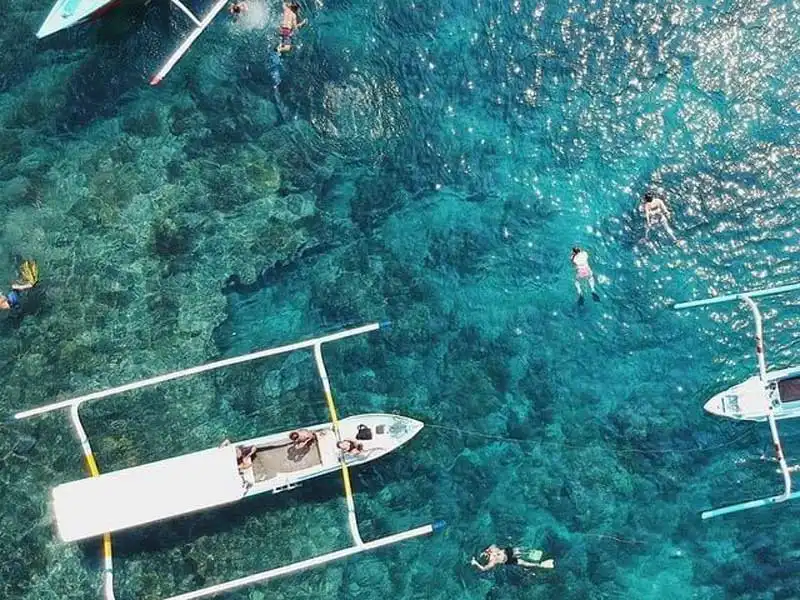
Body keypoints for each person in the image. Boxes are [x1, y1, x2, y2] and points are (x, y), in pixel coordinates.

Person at [471, 545, 554, 572]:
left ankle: (529, 552)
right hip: (508, 560)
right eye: (485, 555)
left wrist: (489, 549)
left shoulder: (492, 549)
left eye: (485, 553)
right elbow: (483, 569)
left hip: (507, 552)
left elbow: (495, 545)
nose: (486, 553)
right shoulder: (492, 561)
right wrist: (475, 563)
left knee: (520, 550)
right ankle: (540, 565)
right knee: (523, 562)